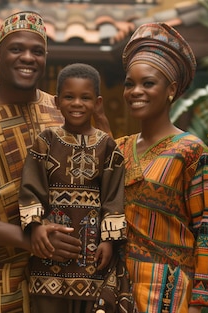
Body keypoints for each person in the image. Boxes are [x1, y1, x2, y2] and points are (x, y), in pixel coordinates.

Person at [0, 12, 108, 313]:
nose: (27, 57)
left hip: (64, 285)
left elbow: (99, 179)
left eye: (37, 51)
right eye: (17, 49)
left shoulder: (61, 110)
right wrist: (32, 239)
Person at [116, 22, 208, 312]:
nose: (136, 91)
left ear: (171, 89)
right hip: (118, 293)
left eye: (148, 83)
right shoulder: (117, 149)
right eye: (129, 83)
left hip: (169, 296)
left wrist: (198, 306)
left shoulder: (193, 153)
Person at [18, 63, 129, 313]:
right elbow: (31, 187)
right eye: (69, 97)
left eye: (85, 97)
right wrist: (35, 228)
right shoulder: (45, 141)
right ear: (57, 101)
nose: (77, 103)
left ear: (97, 102)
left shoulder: (107, 146)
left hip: (91, 257)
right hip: (49, 252)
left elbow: (113, 197)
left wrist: (109, 242)